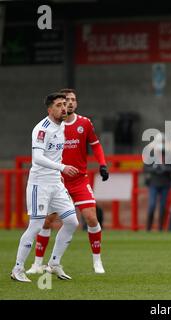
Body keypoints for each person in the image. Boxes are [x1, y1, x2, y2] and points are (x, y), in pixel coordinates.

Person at [26, 88, 109, 275]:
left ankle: (97, 261)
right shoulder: (54, 126)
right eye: (65, 101)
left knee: (91, 217)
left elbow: (95, 145)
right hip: (58, 180)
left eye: (72, 100)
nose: (69, 103)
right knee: (46, 222)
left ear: (76, 103)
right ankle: (38, 264)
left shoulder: (84, 123)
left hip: (79, 179)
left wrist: (103, 164)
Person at [11, 92, 80, 282]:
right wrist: (63, 167)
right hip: (39, 184)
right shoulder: (42, 129)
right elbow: (38, 158)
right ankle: (17, 269)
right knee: (35, 226)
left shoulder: (62, 126)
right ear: (50, 109)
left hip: (56, 183)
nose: (63, 108)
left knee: (72, 222)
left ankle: (54, 264)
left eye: (64, 104)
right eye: (59, 105)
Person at [143, 132, 171, 231]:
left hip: (165, 183)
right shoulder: (151, 155)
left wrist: (165, 168)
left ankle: (160, 228)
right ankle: (148, 228)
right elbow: (145, 168)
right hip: (154, 183)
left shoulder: (169, 155)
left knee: (163, 206)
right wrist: (154, 169)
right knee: (152, 205)